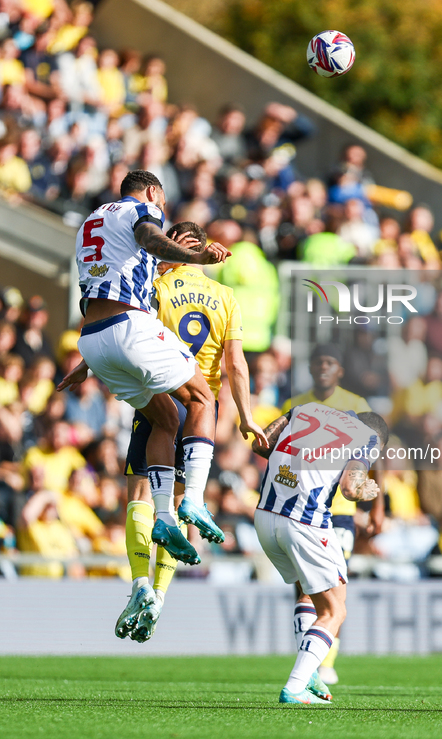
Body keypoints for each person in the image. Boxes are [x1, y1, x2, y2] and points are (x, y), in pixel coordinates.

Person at [57, 170, 232, 626]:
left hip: (93, 338)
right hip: (131, 329)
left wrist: (87, 363)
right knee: (202, 400)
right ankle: (192, 499)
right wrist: (195, 254)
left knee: (164, 422)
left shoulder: (89, 224)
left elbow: (99, 290)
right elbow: (152, 239)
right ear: (154, 192)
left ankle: (165, 518)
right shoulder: (141, 210)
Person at [120, 220, 266, 642]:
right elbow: (235, 364)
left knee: (142, 495)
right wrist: (246, 416)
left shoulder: (158, 287)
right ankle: (161, 597)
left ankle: (139, 583)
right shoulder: (226, 297)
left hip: (162, 397)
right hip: (203, 409)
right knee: (183, 500)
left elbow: (128, 333)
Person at [252, 402, 389, 704]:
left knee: (311, 595)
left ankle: (309, 670)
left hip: (264, 516)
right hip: (304, 522)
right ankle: (295, 686)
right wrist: (365, 489)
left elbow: (261, 444)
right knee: (334, 611)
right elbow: (350, 489)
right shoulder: (366, 438)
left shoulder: (305, 409)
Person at [281, 343, 382, 685]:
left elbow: (373, 456)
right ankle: (308, 659)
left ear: (340, 370)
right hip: (299, 506)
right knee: (303, 587)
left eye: (330, 362)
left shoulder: (356, 406)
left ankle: (322, 663)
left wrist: (376, 505)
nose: (323, 367)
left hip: (339, 510)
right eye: (318, 362)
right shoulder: (294, 405)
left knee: (332, 586)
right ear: (310, 368)